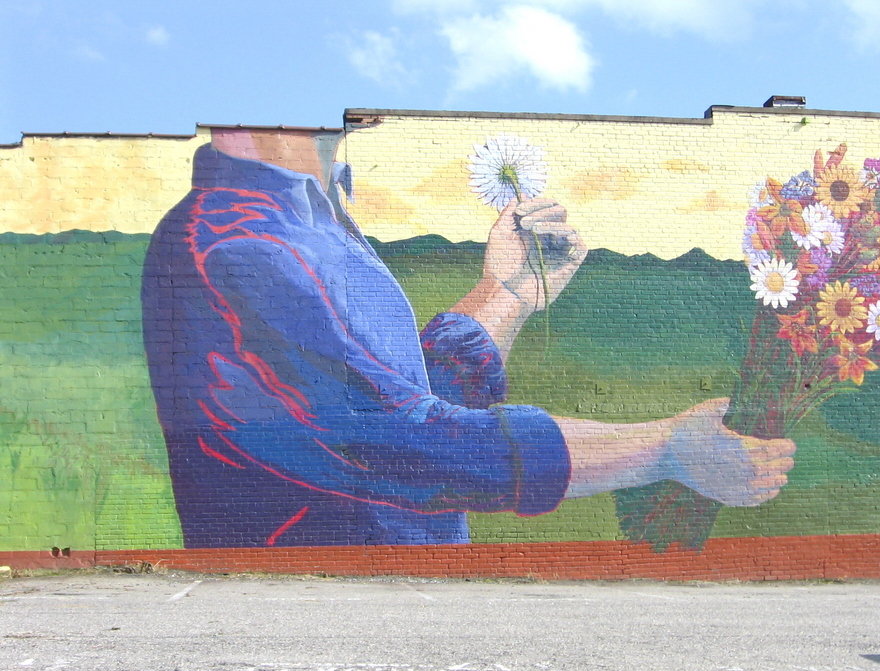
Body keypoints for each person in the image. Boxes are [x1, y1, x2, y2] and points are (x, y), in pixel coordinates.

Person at [142, 126, 795, 549]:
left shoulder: (305, 217)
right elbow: (392, 442)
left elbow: (405, 398)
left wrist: (506, 294)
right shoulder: (234, 243)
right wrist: (662, 449)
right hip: (326, 624)